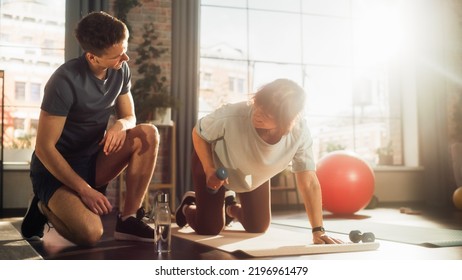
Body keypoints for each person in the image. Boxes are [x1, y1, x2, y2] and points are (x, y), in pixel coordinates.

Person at [20, 11, 159, 246]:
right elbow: (44, 148)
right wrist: (84, 190)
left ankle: (128, 219)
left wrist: (119, 125)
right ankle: (44, 208)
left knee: (148, 134)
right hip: (54, 171)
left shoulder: (120, 69)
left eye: (124, 50)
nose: (125, 58)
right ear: (93, 58)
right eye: (117, 55)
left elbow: (130, 116)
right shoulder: (63, 81)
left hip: (92, 161)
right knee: (91, 233)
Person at [176, 79, 342, 244]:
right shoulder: (233, 114)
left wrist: (318, 230)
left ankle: (230, 208)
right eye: (258, 104)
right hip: (215, 164)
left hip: (254, 174)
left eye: (267, 113)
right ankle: (188, 205)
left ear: (287, 120)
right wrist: (209, 168)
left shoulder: (299, 134)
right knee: (209, 228)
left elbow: (309, 182)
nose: (257, 113)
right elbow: (199, 132)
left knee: (258, 226)